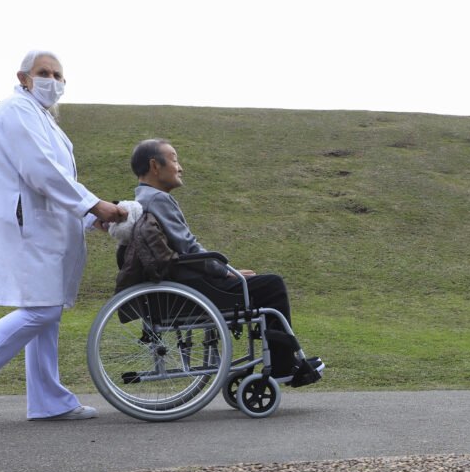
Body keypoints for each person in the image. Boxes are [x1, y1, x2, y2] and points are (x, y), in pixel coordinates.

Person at [0, 50, 127, 423]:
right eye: (44, 73)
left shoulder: (42, 118)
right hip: (30, 226)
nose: (52, 81)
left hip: (46, 226)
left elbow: (57, 181)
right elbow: (42, 172)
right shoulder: (15, 112)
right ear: (24, 77)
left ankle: (48, 400)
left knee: (47, 310)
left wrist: (90, 218)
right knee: (42, 309)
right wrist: (93, 206)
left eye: (58, 75)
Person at [127, 138, 324, 387]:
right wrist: (225, 271)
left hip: (181, 285)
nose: (180, 167)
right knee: (272, 286)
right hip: (191, 290)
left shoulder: (143, 200)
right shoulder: (157, 200)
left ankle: (282, 360)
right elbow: (188, 248)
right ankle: (284, 365)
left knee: (263, 285)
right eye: (175, 159)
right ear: (155, 166)